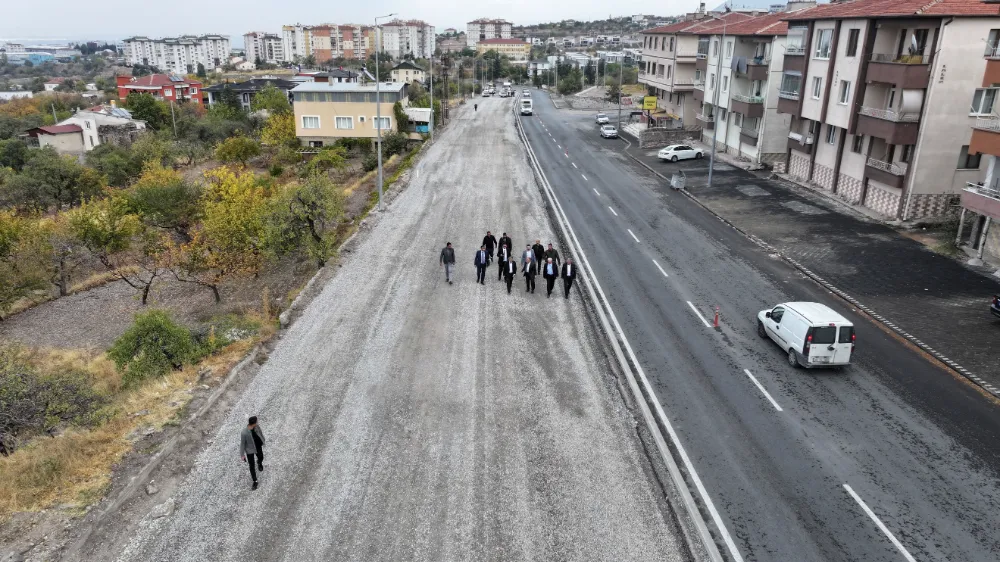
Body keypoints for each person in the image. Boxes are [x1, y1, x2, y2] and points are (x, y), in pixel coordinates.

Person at [239, 416, 265, 491]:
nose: (257, 422)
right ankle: (255, 481)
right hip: (249, 450)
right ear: (253, 423)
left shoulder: (257, 427)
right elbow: (242, 444)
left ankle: (259, 462)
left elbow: (260, 433)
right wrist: (242, 455)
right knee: (251, 465)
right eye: (256, 421)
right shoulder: (244, 432)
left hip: (258, 446)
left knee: (261, 457)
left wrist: (263, 440)